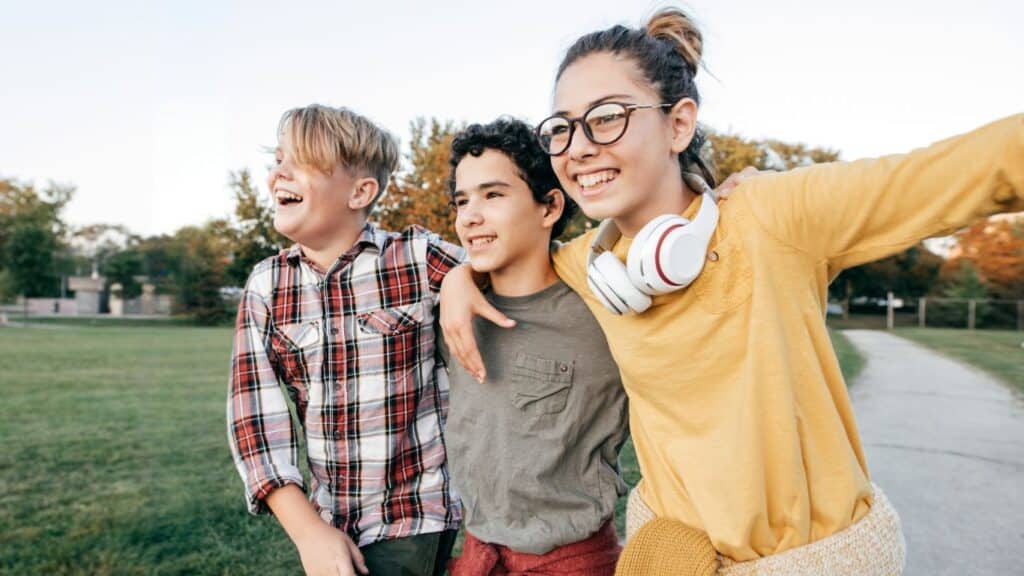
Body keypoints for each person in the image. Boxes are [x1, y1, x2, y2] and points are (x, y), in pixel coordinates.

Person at [440, 7, 1024, 575]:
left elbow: (977, 167)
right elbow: (505, 251)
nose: (579, 147)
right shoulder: (590, 265)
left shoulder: (776, 214)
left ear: (679, 123)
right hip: (671, 555)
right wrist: (460, 281)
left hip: (813, 558)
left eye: (608, 117)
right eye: (563, 128)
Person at [227, 104, 463, 576]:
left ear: (360, 191)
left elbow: (514, 266)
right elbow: (254, 421)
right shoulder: (267, 285)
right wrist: (308, 531)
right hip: (329, 521)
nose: (278, 174)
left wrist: (463, 282)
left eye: (301, 162)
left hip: (415, 516)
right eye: (277, 160)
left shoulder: (415, 257)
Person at [440, 119, 628, 575]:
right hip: (478, 551)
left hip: (572, 558)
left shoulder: (601, 308)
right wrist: (455, 278)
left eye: (493, 195)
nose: (470, 215)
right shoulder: (453, 313)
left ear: (549, 208)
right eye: (462, 201)